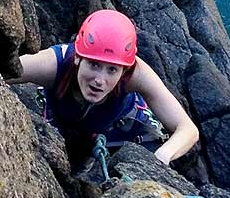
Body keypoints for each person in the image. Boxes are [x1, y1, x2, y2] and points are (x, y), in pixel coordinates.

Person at [12, 9, 199, 167]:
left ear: (124, 70)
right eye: (94, 64)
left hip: (119, 126)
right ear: (78, 57)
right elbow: (1, 68)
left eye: (112, 70)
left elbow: (187, 129)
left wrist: (161, 156)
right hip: (64, 122)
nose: (99, 80)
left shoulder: (136, 74)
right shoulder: (53, 65)